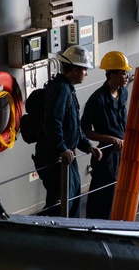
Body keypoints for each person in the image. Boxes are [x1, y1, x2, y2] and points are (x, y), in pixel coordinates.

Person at [34, 45, 103, 217]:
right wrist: (61, 148)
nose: (86, 73)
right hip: (56, 157)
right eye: (84, 69)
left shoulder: (67, 89)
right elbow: (52, 123)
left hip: (66, 156)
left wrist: (88, 146)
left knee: (71, 200)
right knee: (61, 203)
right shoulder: (60, 90)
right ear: (74, 70)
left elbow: (73, 126)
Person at [81, 51, 132, 219]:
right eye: (123, 73)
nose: (126, 76)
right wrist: (109, 139)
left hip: (121, 151)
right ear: (112, 74)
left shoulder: (123, 93)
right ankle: (95, 225)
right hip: (106, 154)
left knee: (120, 191)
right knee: (103, 195)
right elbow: (85, 129)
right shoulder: (97, 99)